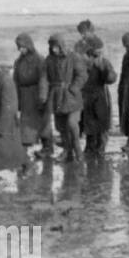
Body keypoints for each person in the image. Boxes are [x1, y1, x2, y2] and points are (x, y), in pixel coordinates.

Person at [44, 33, 87, 162]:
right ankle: (67, 151)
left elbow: (82, 75)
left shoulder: (73, 57)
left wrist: (73, 88)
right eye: (52, 47)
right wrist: (44, 95)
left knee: (72, 123)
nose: (54, 50)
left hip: (72, 97)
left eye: (56, 47)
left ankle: (78, 149)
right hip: (57, 96)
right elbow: (45, 78)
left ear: (61, 46)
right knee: (61, 126)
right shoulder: (49, 60)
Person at [13, 33, 51, 159]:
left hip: (37, 94)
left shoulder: (39, 59)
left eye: (22, 47)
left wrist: (42, 97)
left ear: (28, 45)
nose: (20, 50)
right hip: (24, 96)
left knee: (42, 123)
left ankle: (47, 148)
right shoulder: (18, 61)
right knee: (25, 124)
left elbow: (43, 79)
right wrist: (16, 100)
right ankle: (23, 150)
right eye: (19, 47)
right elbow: (15, 81)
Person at [80, 34, 116, 156]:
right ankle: (90, 146)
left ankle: (100, 147)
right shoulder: (82, 62)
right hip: (86, 96)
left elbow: (111, 78)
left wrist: (103, 69)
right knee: (88, 122)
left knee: (102, 122)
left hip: (101, 95)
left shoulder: (104, 62)